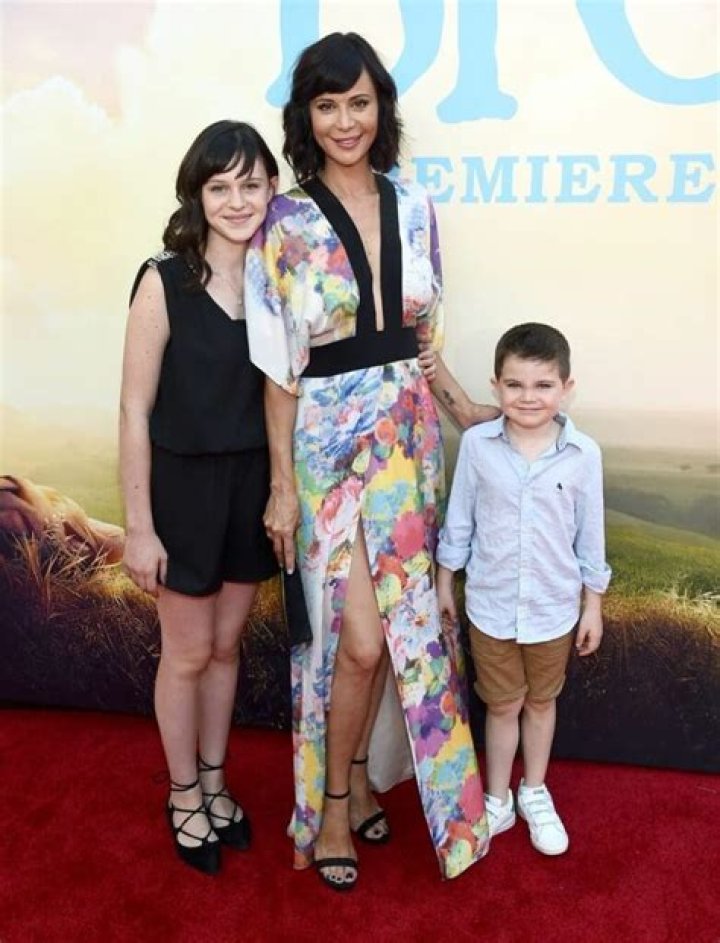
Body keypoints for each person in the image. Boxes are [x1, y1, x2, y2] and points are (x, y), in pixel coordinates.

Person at [245, 32, 495, 889]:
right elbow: (278, 371)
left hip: (411, 440)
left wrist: (464, 408)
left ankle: (364, 775)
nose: (346, 120)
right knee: (354, 641)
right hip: (327, 447)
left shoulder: (416, 205)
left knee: (401, 633)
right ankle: (332, 805)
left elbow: (423, 338)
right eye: (328, 105)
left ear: (381, 108)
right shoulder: (282, 222)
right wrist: (282, 486)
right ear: (305, 116)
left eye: (359, 102)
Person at [119, 121, 279, 875]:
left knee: (224, 648)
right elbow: (133, 409)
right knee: (185, 654)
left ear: (273, 189)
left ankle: (216, 780)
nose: (237, 200)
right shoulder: (164, 280)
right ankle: (183, 792)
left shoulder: (279, 279)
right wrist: (139, 527)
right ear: (197, 195)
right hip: (181, 491)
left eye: (252, 184)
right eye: (221, 186)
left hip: (253, 486)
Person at [437, 322, 612, 856]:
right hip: (490, 607)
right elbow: (460, 521)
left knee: (540, 702)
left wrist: (593, 605)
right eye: (514, 385)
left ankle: (533, 790)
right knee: (502, 704)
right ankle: (497, 799)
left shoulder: (583, 454)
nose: (528, 397)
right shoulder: (477, 446)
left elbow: (591, 537)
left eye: (543, 385)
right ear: (495, 386)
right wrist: (444, 582)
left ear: (566, 387)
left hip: (553, 610)